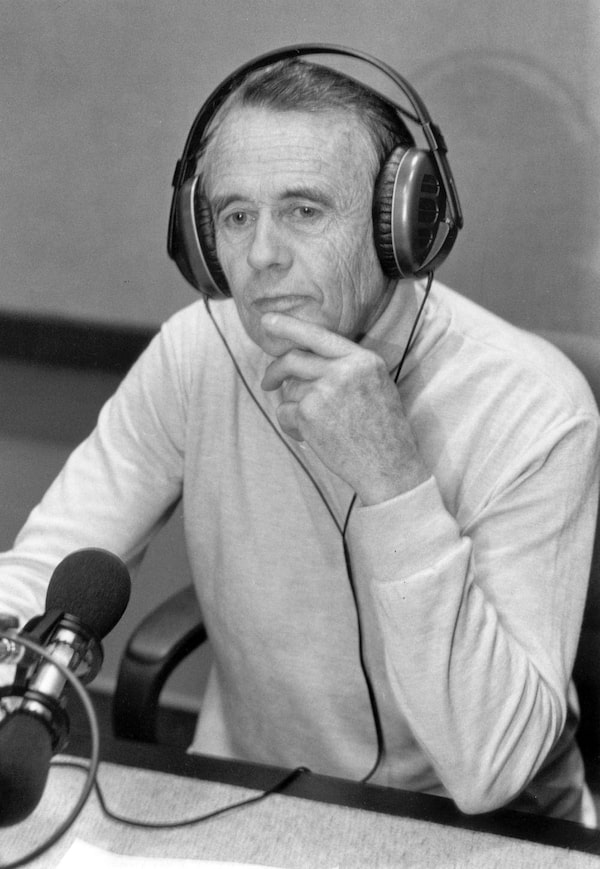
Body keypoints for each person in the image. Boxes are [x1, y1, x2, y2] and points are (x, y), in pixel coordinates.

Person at [0, 49, 599, 826]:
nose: (261, 255)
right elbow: (44, 570)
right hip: (254, 799)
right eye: (235, 216)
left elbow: (492, 766)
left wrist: (395, 481)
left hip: (486, 829)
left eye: (305, 211)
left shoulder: (534, 406)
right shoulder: (198, 352)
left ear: (401, 226)